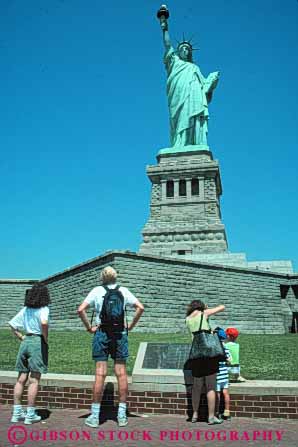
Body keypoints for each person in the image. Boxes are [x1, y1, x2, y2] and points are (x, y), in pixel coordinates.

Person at [77, 266, 144, 428]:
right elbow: (140, 308)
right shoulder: (124, 291)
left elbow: (80, 310)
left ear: (102, 277)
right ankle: (121, 415)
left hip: (102, 334)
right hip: (120, 334)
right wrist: (131, 326)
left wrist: (89, 328)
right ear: (116, 277)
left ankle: (94, 416)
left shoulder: (96, 291)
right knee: (121, 374)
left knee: (100, 374)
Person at [159, 13, 219, 148]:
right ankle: (178, 143)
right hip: (178, 96)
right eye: (182, 48)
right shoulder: (174, 62)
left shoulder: (194, 68)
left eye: (188, 49)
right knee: (180, 118)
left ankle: (192, 143)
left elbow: (205, 89)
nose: (185, 50)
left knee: (193, 116)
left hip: (193, 96)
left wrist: (212, 83)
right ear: (178, 52)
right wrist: (164, 27)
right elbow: (168, 45)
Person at [8, 284, 50, 424]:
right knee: (34, 380)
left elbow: (12, 324)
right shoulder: (44, 309)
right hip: (37, 342)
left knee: (21, 379)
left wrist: (21, 336)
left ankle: (17, 413)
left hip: (25, 342)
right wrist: (45, 338)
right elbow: (44, 323)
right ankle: (30, 414)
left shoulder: (26, 309)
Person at [185, 300, 225, 425]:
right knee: (210, 386)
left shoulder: (187, 318)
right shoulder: (204, 313)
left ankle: (194, 414)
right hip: (209, 354)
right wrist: (206, 308)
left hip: (196, 354)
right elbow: (222, 307)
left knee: (196, 386)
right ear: (201, 306)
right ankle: (211, 417)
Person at [214, 328, 232, 421]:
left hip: (217, 375)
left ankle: (216, 413)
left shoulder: (214, 349)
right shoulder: (226, 349)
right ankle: (227, 412)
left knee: (217, 394)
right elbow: (229, 362)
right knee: (225, 393)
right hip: (225, 375)